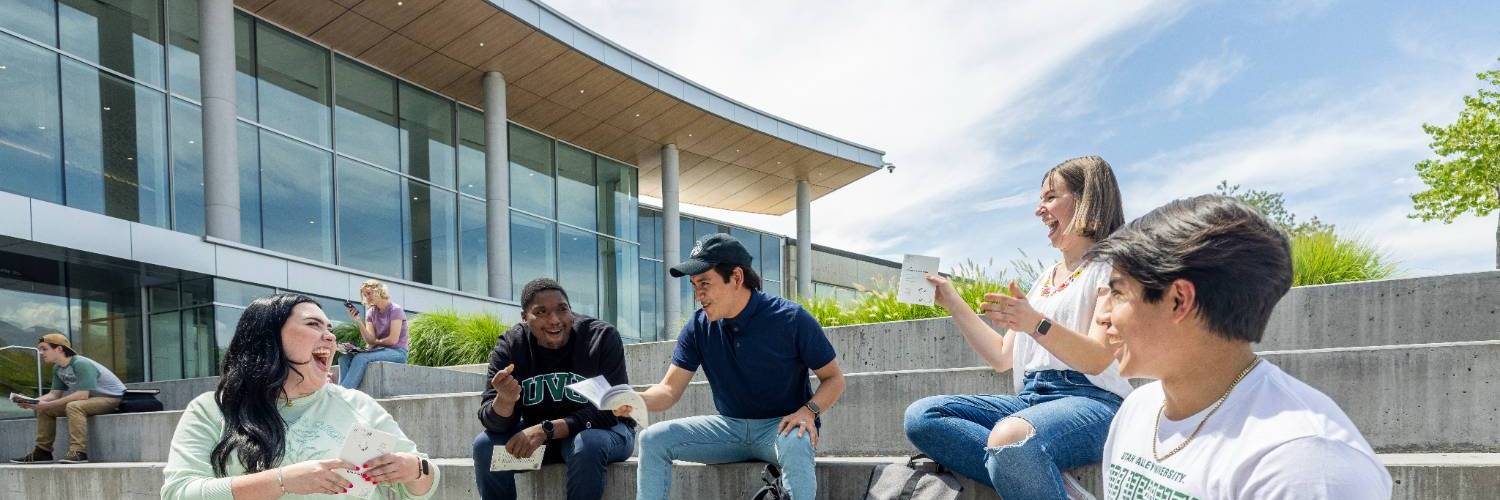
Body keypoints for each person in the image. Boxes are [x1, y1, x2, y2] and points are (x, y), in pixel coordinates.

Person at [1088, 195, 1392, 498]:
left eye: (1118, 293)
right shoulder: (1138, 409)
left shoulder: (1302, 465)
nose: (1102, 317)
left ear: (1179, 300)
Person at [904, 156, 1134, 499]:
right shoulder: (1044, 278)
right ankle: (1038, 476)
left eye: (1051, 197)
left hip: (1093, 401)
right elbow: (1001, 357)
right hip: (1030, 401)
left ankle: (1028, 467)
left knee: (1013, 438)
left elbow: (1098, 357)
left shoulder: (1114, 266)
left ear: (1087, 198)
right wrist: (952, 300)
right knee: (923, 417)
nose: (1039, 210)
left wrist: (1035, 323)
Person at [162, 293, 439, 499]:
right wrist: (283, 481)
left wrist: (413, 468)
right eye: (313, 325)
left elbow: (423, 485)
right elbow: (179, 493)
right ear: (268, 337)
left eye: (329, 328)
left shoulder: (357, 405)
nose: (329, 337)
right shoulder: (212, 410)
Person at [633, 233, 846, 500]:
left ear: (736, 277)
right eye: (694, 285)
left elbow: (834, 378)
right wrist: (634, 399)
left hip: (780, 428)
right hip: (728, 428)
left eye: (704, 284)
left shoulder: (791, 318)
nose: (698, 295)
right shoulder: (698, 326)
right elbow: (668, 390)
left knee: (797, 441)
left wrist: (809, 411)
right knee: (652, 439)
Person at [471, 278, 636, 500]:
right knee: (485, 446)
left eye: (562, 309)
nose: (555, 320)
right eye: (541, 312)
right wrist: (505, 401)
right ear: (524, 318)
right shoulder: (512, 346)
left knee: (587, 444)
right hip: (544, 445)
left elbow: (614, 409)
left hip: (607, 433)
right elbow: (493, 422)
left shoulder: (600, 337)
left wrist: (546, 429)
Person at [8, 333, 127, 464]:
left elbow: (82, 395)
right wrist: (32, 402)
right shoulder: (58, 368)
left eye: (44, 348)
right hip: (89, 399)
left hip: (110, 398)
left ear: (59, 349)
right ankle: (42, 452)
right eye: (39, 349)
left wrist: (47, 404)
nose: (40, 353)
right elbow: (54, 394)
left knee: (74, 406)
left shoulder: (81, 363)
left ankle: (78, 452)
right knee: (45, 409)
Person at [339, 280, 410, 390]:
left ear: (379, 291)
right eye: (365, 295)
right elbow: (370, 340)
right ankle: (342, 391)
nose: (367, 297)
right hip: (378, 350)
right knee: (344, 358)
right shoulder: (371, 312)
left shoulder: (395, 310)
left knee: (360, 358)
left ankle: (342, 394)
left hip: (397, 352)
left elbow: (392, 340)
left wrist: (375, 343)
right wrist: (358, 320)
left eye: (369, 293)